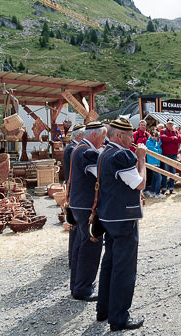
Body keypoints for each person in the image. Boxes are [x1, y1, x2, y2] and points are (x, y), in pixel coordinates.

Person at [96, 118, 146, 331]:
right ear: (118, 136)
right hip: (124, 217)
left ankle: (104, 309)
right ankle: (119, 318)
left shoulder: (104, 152)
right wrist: (141, 160)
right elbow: (139, 183)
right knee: (124, 268)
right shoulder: (122, 154)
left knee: (109, 263)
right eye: (129, 135)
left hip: (108, 216)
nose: (132, 139)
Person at [68, 121, 107, 302]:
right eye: (102, 137)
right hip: (86, 205)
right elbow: (99, 174)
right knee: (91, 246)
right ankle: (83, 288)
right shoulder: (87, 151)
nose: (103, 140)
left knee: (81, 245)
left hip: (78, 204)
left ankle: (77, 286)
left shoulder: (79, 148)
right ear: (94, 135)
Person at [63, 123, 84, 268]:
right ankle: (73, 260)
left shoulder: (71, 148)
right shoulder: (72, 149)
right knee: (75, 228)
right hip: (75, 191)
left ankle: (74, 258)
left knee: (75, 227)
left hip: (73, 190)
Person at [160, 119, 181, 194]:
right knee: (165, 172)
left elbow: (179, 140)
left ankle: (171, 188)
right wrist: (173, 138)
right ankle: (163, 188)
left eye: (171, 124)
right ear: (166, 124)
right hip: (165, 154)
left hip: (174, 154)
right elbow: (163, 139)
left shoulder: (176, 131)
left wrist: (169, 138)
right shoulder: (163, 131)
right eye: (169, 124)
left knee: (173, 172)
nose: (170, 125)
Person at [144, 132, 164, 198]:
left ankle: (153, 192)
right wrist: (158, 147)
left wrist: (158, 146)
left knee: (154, 178)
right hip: (152, 162)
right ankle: (157, 193)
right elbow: (155, 152)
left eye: (156, 136)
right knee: (159, 177)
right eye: (153, 135)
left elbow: (160, 152)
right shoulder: (148, 142)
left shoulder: (156, 142)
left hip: (157, 162)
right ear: (150, 135)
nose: (154, 137)